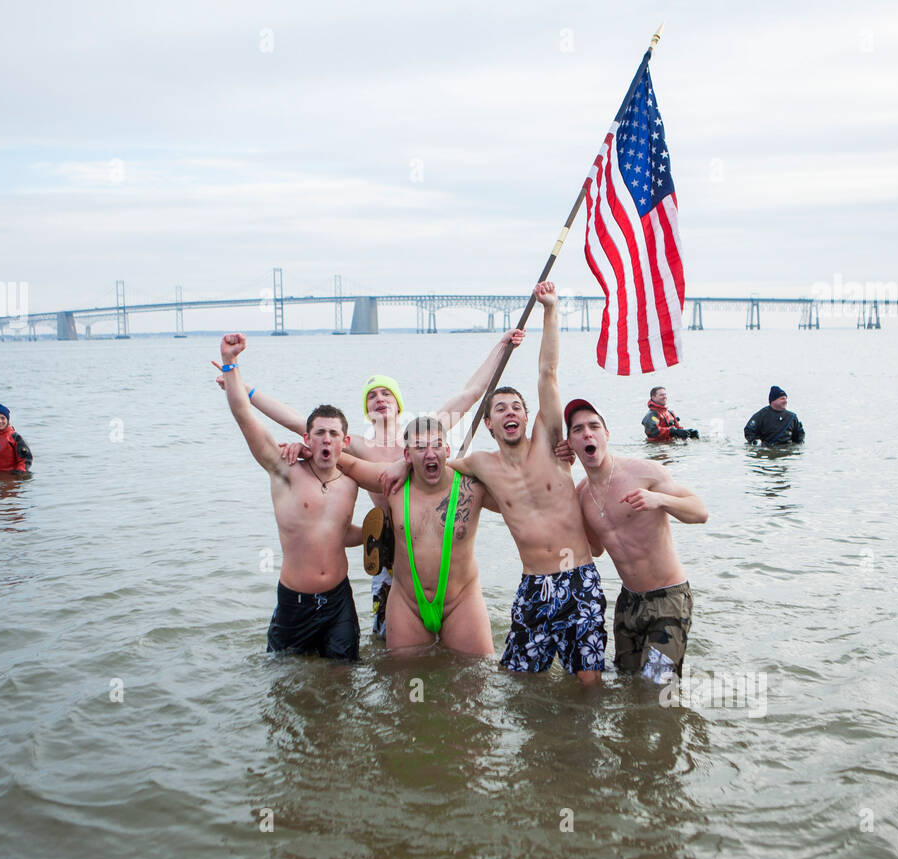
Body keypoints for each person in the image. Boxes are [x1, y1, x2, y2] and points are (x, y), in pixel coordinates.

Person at [215, 328, 524, 642]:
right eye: (372, 396)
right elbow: (299, 422)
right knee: (384, 640)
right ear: (366, 410)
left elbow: (471, 393)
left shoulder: (424, 435)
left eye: (386, 393)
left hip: (435, 548)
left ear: (398, 403)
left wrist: (500, 346)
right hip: (391, 555)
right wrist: (242, 386)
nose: (380, 399)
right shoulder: (357, 447)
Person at [382, 282, 605, 682]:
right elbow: (431, 458)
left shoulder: (551, 443)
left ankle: (579, 744)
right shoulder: (479, 465)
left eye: (517, 406)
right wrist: (403, 466)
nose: (510, 412)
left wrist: (549, 310)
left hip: (578, 579)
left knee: (587, 684)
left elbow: (548, 373)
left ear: (527, 414)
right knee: (519, 683)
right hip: (532, 585)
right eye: (500, 408)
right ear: (488, 423)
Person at [219, 333, 363, 661]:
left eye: (334, 433)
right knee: (283, 687)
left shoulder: (352, 480)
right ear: (306, 438)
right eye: (319, 433)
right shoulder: (284, 470)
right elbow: (245, 418)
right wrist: (230, 364)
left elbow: (339, 533)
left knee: (344, 682)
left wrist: (378, 535)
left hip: (339, 602)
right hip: (294, 603)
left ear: (345, 441)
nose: (327, 439)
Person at [325, 416, 498, 655]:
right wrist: (308, 449)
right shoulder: (393, 485)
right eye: (420, 447)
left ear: (447, 450)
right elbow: (349, 465)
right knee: (405, 682)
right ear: (406, 455)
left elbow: (519, 496)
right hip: (407, 602)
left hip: (462, 600)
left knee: (475, 678)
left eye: (437, 445)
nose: (430, 453)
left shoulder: (473, 488)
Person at [565, 399, 707, 683]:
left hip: (668, 598)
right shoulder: (580, 496)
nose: (588, 434)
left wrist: (659, 499)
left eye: (594, 426)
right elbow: (596, 549)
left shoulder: (644, 472)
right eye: (578, 430)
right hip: (628, 603)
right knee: (628, 685)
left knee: (658, 688)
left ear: (607, 434)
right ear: (570, 443)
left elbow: (700, 512)